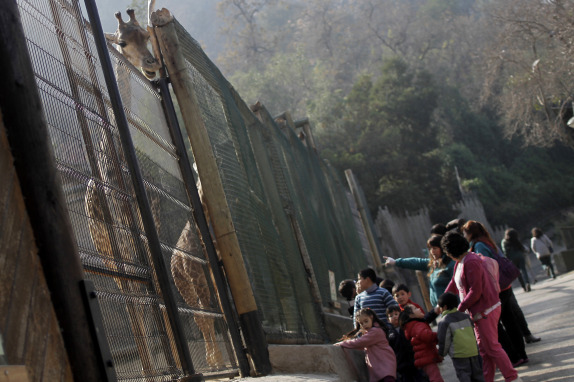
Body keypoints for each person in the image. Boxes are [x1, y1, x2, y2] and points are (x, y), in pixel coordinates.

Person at [442, 231, 522, 382]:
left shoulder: (470, 261)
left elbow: (476, 291)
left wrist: (459, 308)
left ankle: (512, 377)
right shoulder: (460, 262)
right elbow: (454, 283)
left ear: (450, 250)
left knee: (492, 347)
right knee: (485, 351)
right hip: (478, 311)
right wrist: (443, 301)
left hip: (485, 309)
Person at [463, 221, 541, 354]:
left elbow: (486, 266)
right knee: (509, 319)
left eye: (465, 232)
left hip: (496, 287)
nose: (464, 235)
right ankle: (521, 353)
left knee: (501, 322)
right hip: (504, 285)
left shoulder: (479, 245)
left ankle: (514, 353)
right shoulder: (486, 241)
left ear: (470, 233)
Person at [384, 235, 455, 308]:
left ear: (442, 249)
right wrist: (396, 262)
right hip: (439, 309)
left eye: (435, 248)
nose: (432, 251)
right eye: (430, 248)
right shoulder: (433, 264)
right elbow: (416, 262)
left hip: (452, 308)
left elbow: (456, 287)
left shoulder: (450, 265)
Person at [335, 308, 397, 382]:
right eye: (361, 323)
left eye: (366, 321)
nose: (364, 325)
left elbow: (359, 342)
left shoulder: (375, 332)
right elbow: (361, 345)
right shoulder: (371, 332)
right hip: (382, 368)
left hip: (385, 367)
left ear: (371, 317)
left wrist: (342, 343)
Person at [437, 292, 484, 382]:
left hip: (459, 355)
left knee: (464, 375)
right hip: (473, 351)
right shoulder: (466, 317)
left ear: (445, 307)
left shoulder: (444, 322)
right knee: (478, 375)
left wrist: (441, 354)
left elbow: (444, 341)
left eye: (440, 307)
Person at [399, 305, 444, 382]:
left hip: (424, 357)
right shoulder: (417, 325)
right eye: (415, 308)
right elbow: (426, 335)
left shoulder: (413, 325)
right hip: (426, 357)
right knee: (436, 378)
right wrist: (439, 335)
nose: (419, 308)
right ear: (411, 315)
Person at [387, 305, 429, 382]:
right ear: (388, 320)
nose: (394, 317)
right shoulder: (389, 334)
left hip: (414, 360)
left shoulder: (406, 326)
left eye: (396, 314)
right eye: (391, 316)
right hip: (401, 365)